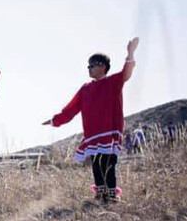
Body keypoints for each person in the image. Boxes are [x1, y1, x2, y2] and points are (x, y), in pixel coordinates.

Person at [43, 37, 139, 204]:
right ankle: (101, 195)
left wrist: (130, 54)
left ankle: (111, 196)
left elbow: (126, 73)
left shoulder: (113, 82)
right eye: (88, 66)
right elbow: (71, 109)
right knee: (96, 165)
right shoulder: (86, 89)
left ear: (103, 66)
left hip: (109, 132)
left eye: (92, 65)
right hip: (93, 135)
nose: (89, 68)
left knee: (108, 164)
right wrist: (54, 120)